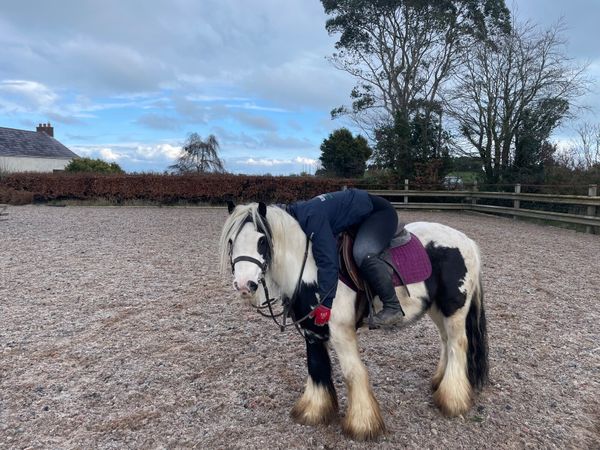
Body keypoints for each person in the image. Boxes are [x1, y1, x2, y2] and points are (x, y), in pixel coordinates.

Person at [286, 188, 404, 328]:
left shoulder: (312, 219)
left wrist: (325, 304)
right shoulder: (299, 211)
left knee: (363, 253)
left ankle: (393, 307)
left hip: (380, 214)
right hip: (359, 213)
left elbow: (328, 261)